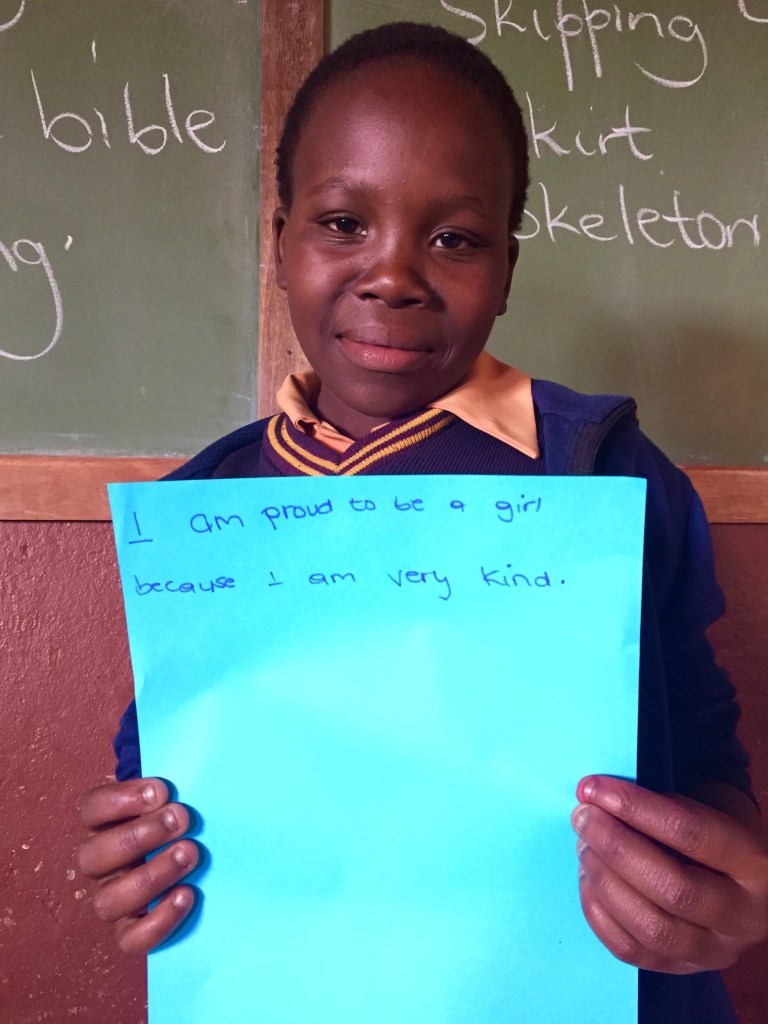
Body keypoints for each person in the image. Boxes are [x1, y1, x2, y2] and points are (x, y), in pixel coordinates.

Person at [76, 22, 767, 1023]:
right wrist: (133, 847)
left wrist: (720, 880)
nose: (393, 274)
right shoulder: (203, 514)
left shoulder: (606, 472)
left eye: (455, 239)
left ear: (507, 268)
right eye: (342, 223)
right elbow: (160, 770)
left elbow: (703, 750)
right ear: (279, 245)